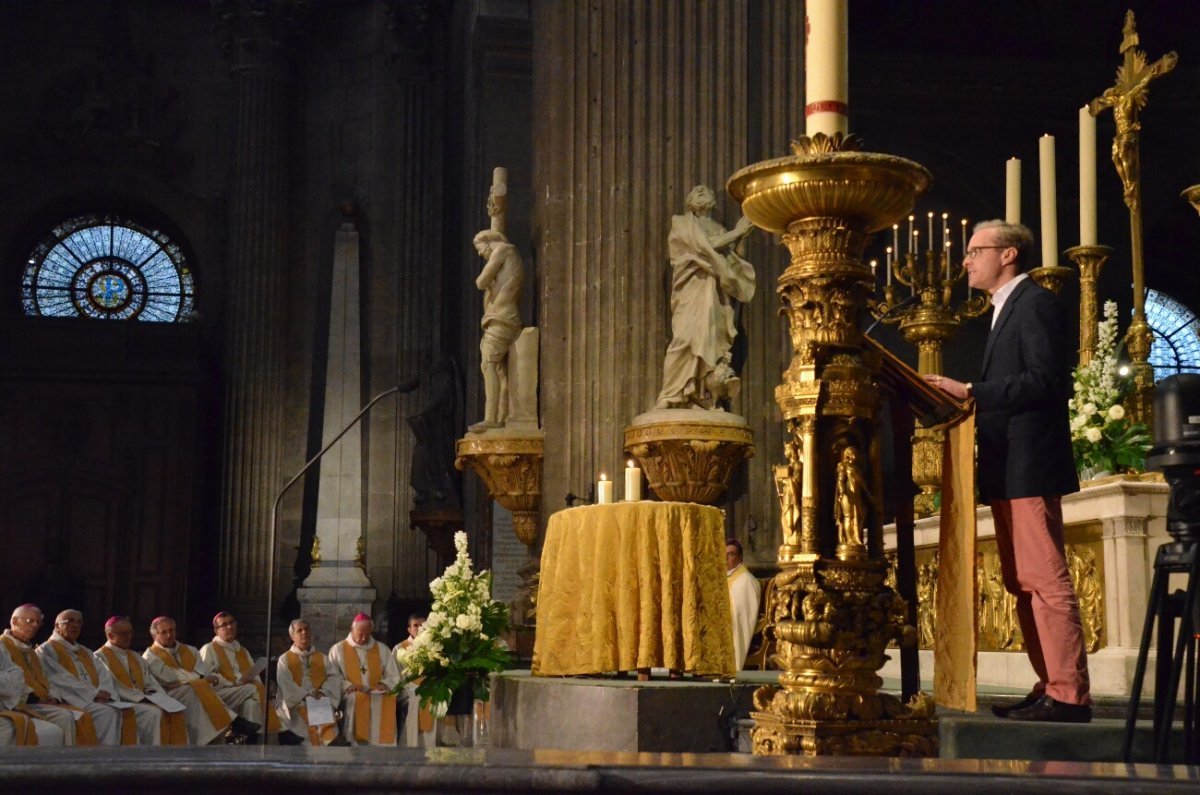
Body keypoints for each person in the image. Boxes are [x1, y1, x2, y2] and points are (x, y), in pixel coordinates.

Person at [928, 219, 1090, 723]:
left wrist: (971, 391)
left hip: (1030, 462)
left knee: (1046, 579)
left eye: (975, 251)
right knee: (1023, 583)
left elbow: (1046, 380)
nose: (966, 261)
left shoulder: (1036, 303)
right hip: (1006, 463)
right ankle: (1050, 685)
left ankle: (1069, 693)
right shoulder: (1003, 310)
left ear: (1008, 255)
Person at [655, 185, 756, 410]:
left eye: (706, 191)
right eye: (696, 191)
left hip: (715, 296)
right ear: (690, 202)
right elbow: (703, 248)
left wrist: (741, 238)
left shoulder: (720, 229)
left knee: (711, 338)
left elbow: (733, 263)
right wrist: (736, 232)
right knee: (684, 340)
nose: (702, 191)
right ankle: (671, 393)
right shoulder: (682, 224)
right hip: (690, 290)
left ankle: (704, 395)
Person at [0, 604, 99, 745]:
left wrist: (53, 696)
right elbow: (16, 680)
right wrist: (34, 698)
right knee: (64, 718)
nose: (35, 626)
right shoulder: (3, 646)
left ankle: (67, 761)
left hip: (35, 701)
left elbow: (44, 679)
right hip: (19, 703)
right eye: (30, 621)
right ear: (15, 621)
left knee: (69, 716)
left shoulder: (30, 650)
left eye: (38, 622)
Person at [143, 615, 250, 744]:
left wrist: (197, 679)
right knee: (194, 688)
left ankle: (227, 728)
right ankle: (234, 722)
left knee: (198, 688)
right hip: (169, 694)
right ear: (155, 636)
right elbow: (171, 678)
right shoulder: (150, 656)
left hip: (192, 689)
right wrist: (197, 679)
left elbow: (202, 673)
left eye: (172, 630)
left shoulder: (190, 650)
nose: (169, 634)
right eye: (164, 632)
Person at [36, 609, 126, 745]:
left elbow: (103, 674)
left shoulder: (85, 651)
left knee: (116, 711)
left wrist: (105, 692)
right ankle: (99, 756)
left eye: (79, 622)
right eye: (70, 621)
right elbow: (60, 678)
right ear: (57, 626)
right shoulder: (47, 650)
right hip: (71, 700)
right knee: (107, 713)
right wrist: (94, 693)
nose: (76, 625)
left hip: (91, 699)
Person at [95, 615, 187, 745]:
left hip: (142, 699)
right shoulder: (99, 657)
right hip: (123, 702)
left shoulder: (136, 657)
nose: (128, 637)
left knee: (176, 710)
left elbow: (150, 682)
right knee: (154, 713)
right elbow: (112, 686)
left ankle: (173, 755)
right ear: (110, 636)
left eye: (130, 633)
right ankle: (151, 755)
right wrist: (144, 699)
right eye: (123, 634)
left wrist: (159, 697)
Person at [470, 228, 524, 431]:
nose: (479, 253)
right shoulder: (508, 255)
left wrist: (490, 280)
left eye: (479, 247)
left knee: (488, 364)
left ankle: (491, 417)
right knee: (501, 372)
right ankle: (501, 416)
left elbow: (480, 281)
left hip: (502, 317)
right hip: (502, 316)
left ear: (487, 241)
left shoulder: (503, 249)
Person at [200, 611, 279, 737]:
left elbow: (255, 676)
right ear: (216, 631)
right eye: (224, 625)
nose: (230, 627)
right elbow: (207, 677)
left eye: (232, 622)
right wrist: (233, 683)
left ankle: (251, 739)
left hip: (242, 691)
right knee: (253, 688)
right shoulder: (209, 649)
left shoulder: (242, 651)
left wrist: (245, 680)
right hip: (221, 694)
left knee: (251, 704)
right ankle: (281, 732)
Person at [328, 612, 400, 746]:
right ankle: (353, 742)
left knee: (388, 698)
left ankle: (382, 745)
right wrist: (347, 685)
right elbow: (333, 676)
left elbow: (393, 675)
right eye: (360, 634)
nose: (363, 638)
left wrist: (384, 684)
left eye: (367, 634)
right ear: (352, 629)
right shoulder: (338, 649)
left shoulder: (381, 649)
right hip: (351, 692)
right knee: (357, 697)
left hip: (375, 691)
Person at [276, 619, 342, 746]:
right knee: (308, 724)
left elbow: (334, 678)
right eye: (299, 630)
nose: (304, 632)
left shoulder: (322, 658)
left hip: (319, 699)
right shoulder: (284, 659)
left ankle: (322, 758)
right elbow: (286, 684)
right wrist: (305, 696)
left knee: (321, 712)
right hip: (296, 702)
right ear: (292, 636)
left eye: (306, 629)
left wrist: (323, 693)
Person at [0, 643, 64, 746]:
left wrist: (53, 695)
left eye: (37, 625)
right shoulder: (6, 642)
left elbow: (19, 676)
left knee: (54, 730)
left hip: (9, 704)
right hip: (15, 703)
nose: (34, 626)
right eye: (29, 624)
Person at [725, 539, 761, 670]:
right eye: (724, 555)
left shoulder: (745, 580)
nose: (726, 558)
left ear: (740, 558)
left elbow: (741, 613)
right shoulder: (727, 577)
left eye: (731, 554)